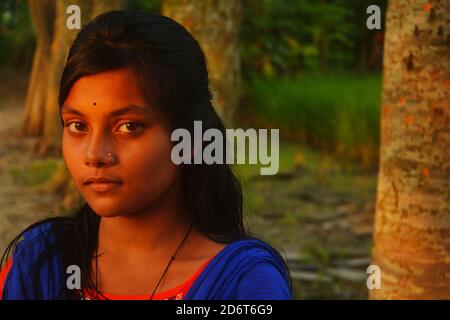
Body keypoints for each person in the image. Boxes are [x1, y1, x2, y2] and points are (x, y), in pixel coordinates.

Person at [0, 10, 293, 300]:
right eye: (78, 126)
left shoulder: (243, 284)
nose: (95, 154)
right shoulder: (41, 263)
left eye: (128, 126)